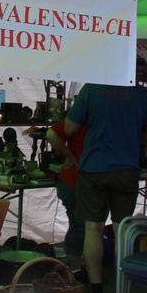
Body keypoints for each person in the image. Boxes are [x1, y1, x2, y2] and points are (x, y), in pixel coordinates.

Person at [65, 82, 147, 293]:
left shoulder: (91, 90)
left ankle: (96, 290)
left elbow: (69, 128)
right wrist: (134, 137)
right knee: (121, 230)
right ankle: (123, 290)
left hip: (94, 168)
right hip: (126, 169)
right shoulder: (140, 93)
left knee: (93, 229)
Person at [44, 114, 87, 274]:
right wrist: (70, 156)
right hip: (74, 181)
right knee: (80, 225)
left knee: (81, 225)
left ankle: (73, 267)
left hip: (76, 181)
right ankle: (73, 271)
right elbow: (51, 133)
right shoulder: (81, 121)